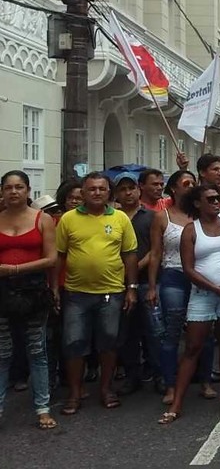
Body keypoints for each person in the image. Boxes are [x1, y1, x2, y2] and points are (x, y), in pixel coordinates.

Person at [56, 172, 138, 416]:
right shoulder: (68, 219)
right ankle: (75, 392)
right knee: (73, 344)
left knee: (108, 343)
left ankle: (106, 389)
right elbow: (59, 255)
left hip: (111, 293)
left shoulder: (121, 218)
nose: (97, 193)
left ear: (108, 192)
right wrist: (53, 288)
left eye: (102, 189)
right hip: (75, 293)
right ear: (83, 192)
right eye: (91, 189)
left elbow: (130, 254)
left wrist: (131, 288)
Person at [158, 185, 220, 424]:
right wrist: (216, 290)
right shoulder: (190, 231)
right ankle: (177, 404)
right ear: (197, 204)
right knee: (193, 347)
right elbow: (188, 269)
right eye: (211, 199)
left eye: (218, 198)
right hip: (203, 294)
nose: (217, 202)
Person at [0, 171, 58, 429]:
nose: (14, 192)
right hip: (2, 292)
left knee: (37, 350)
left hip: (34, 290)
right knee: (2, 353)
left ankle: (43, 408)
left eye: (19, 187)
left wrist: (15, 269)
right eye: (9, 187)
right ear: (2, 192)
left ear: (28, 190)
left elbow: (51, 259)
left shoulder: (42, 219)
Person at [114, 172, 162, 396]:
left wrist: (135, 268)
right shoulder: (112, 217)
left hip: (146, 281)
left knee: (154, 332)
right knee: (126, 334)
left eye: (131, 188)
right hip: (117, 284)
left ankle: (160, 375)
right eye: (122, 189)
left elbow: (156, 249)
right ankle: (133, 375)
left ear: (138, 190)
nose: (128, 193)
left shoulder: (151, 216)